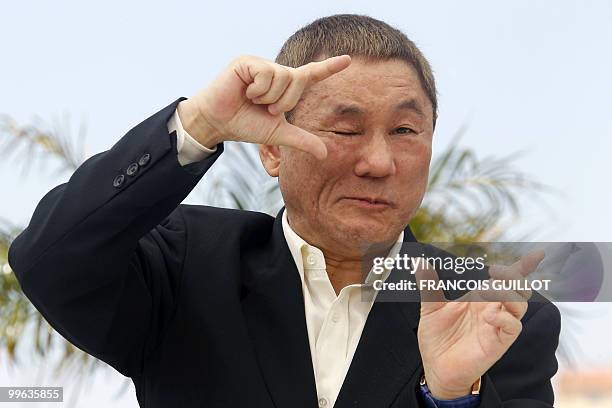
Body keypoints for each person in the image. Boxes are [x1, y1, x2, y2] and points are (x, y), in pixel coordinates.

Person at [8, 14, 560, 408]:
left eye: (405, 130)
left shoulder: (496, 311)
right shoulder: (185, 265)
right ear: (272, 149)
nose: (378, 161)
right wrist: (198, 124)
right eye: (345, 128)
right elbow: (49, 261)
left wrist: (448, 399)